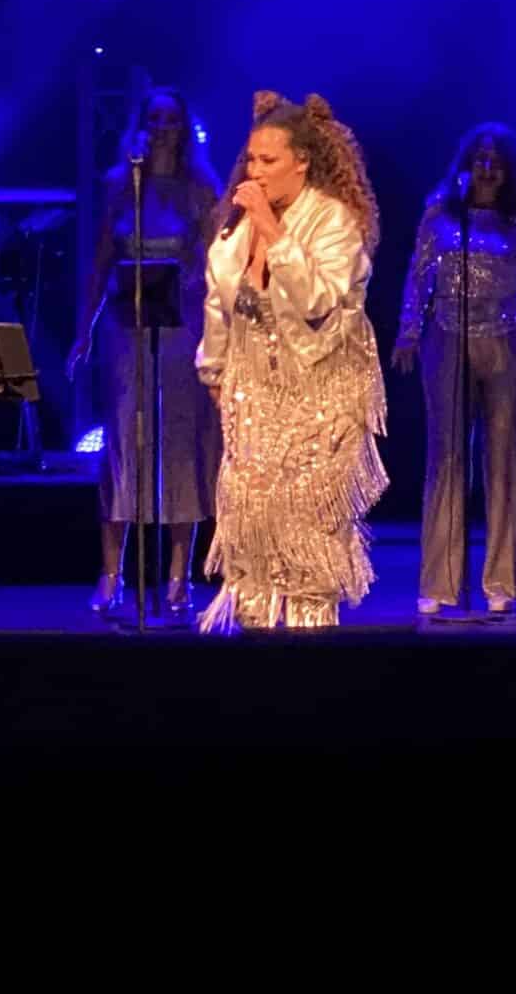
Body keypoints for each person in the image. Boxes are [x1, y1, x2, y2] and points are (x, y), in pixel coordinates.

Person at [195, 92, 388, 632]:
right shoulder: (236, 228)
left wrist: (272, 230)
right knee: (251, 525)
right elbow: (219, 301)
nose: (254, 171)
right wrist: (214, 369)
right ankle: (256, 638)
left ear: (301, 161)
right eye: (251, 159)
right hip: (254, 390)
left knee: (305, 530)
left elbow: (316, 300)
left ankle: (310, 640)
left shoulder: (334, 221)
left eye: (268, 160)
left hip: (321, 391)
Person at [67, 86, 223, 618]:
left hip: (180, 326)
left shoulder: (201, 187)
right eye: (153, 119)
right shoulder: (120, 184)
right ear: (140, 125)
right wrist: (84, 330)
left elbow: (218, 263)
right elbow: (100, 261)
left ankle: (179, 576)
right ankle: (111, 574)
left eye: (170, 119)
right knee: (124, 441)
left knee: (180, 441)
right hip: (126, 326)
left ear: (183, 127)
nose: (161, 128)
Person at [393, 124, 516, 617]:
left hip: (508, 340)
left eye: (496, 162)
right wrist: (408, 331)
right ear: (466, 164)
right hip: (447, 337)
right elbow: (418, 275)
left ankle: (501, 580)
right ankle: (440, 582)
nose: (486, 168)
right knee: (447, 457)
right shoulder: (439, 214)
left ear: (509, 170)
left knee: (506, 458)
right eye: (479, 159)